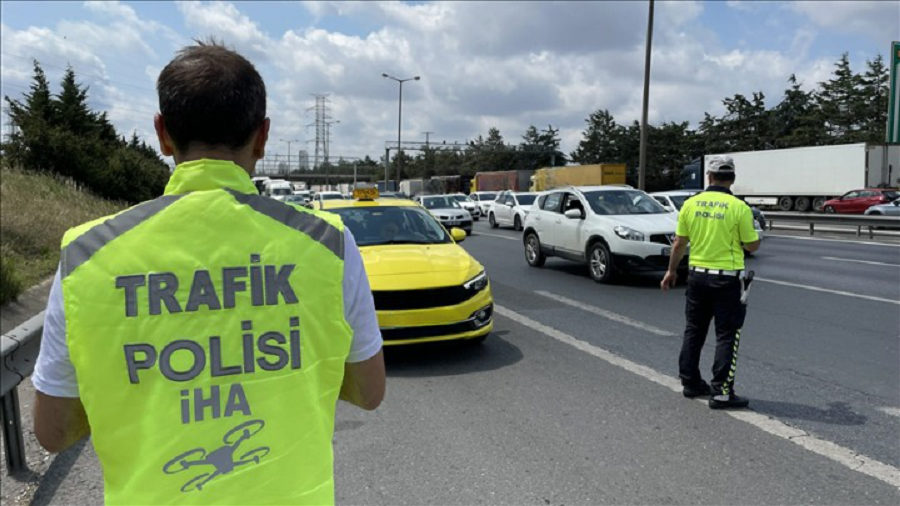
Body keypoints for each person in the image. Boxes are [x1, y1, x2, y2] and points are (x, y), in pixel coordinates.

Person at [31, 40, 385, 505]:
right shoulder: (328, 243)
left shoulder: (87, 254)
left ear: (162, 134)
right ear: (262, 137)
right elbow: (369, 390)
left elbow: (52, 432)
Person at [661, 156, 760, 409]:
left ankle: (691, 383)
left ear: (709, 176)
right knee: (727, 335)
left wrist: (671, 271)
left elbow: (679, 243)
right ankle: (722, 393)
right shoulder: (739, 207)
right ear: (733, 179)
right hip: (727, 279)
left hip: (696, 277)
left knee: (694, 330)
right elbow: (752, 244)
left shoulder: (690, 204)